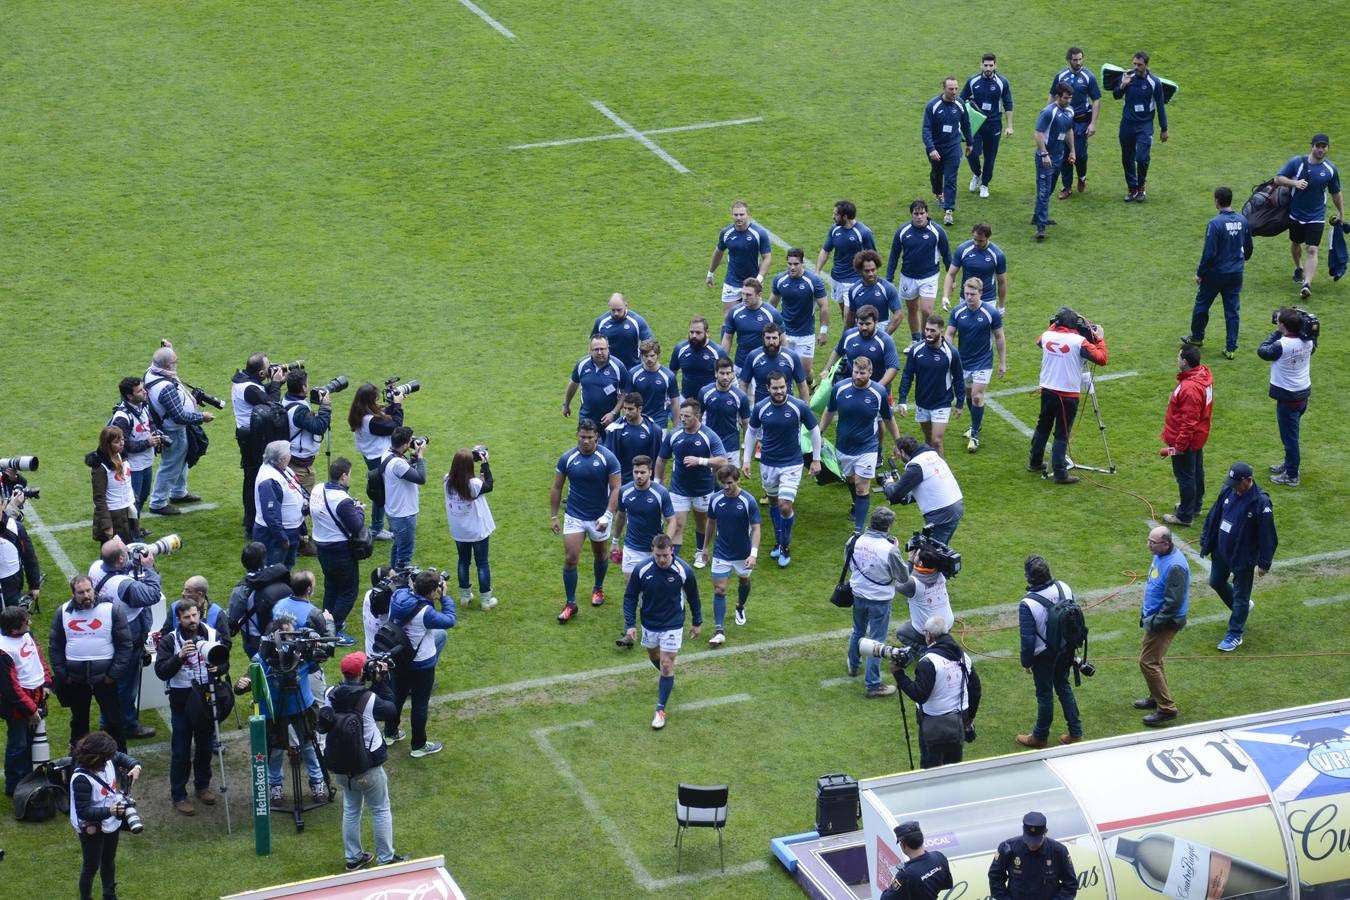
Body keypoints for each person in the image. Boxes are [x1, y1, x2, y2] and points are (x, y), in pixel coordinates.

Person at [321, 652, 405, 870]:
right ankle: (386, 857)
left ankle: (353, 858)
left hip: (341, 766)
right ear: (361, 673)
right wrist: (382, 682)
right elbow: (391, 711)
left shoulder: (330, 693)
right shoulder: (369, 698)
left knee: (351, 810)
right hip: (367, 766)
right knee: (380, 809)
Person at [235, 618, 328, 802]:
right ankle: (275, 786)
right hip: (274, 713)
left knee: (309, 746)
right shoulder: (263, 659)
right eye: (288, 635)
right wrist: (242, 683)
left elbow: (323, 655)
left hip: (303, 708)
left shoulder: (301, 654)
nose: (293, 639)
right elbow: (240, 687)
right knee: (275, 751)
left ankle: (317, 782)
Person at [153, 596, 228, 815]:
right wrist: (179, 657)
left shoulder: (213, 635)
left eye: (195, 615)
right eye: (187, 617)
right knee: (181, 750)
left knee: (205, 746)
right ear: (179, 619)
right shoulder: (169, 640)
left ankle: (202, 786)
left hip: (206, 696)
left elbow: (224, 661)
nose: (192, 620)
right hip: (182, 699)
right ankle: (179, 794)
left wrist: (219, 669)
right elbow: (161, 672)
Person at [743, 371, 821, 567]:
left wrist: (816, 459)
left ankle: (785, 545)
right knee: (773, 504)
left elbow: (814, 430)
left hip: (792, 464)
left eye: (782, 387)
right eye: (775, 388)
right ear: (767, 388)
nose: (779, 391)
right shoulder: (760, 408)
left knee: (785, 505)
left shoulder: (798, 406)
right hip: (768, 463)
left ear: (787, 386)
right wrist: (745, 460)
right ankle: (779, 541)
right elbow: (751, 433)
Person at [623, 534, 701, 729]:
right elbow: (630, 597)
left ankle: (660, 710)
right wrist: (630, 625)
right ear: (652, 551)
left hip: (673, 623)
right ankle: (668, 678)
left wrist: (697, 622)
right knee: (654, 655)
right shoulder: (642, 570)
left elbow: (693, 597)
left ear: (671, 550)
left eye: (665, 555)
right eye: (658, 555)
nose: (662, 559)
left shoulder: (684, 570)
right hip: (650, 623)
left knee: (666, 665)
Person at [89, 538, 162, 742]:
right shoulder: (125, 586)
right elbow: (152, 594)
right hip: (127, 637)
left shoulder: (96, 567)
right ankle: (127, 725)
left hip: (106, 632)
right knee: (126, 685)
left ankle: (108, 722)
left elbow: (118, 568)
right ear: (121, 558)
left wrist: (132, 561)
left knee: (112, 682)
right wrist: (148, 570)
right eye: (125, 554)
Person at [49, 575, 132, 752]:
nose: (86, 595)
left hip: (105, 679)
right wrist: (64, 676)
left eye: (88, 590)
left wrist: (112, 675)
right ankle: (78, 762)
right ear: (73, 593)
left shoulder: (112, 610)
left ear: (93, 589)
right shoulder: (62, 612)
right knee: (78, 722)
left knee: (114, 721)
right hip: (76, 680)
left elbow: (125, 645)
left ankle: (121, 761)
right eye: (81, 592)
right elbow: (55, 647)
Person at [1200, 462, 1277, 652]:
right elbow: (1214, 515)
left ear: (1249, 480)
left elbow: (1268, 534)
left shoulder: (1261, 502)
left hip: (1244, 556)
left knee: (1241, 595)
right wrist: (1206, 539)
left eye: (1237, 484)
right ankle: (1240, 608)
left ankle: (1235, 634)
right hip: (1221, 551)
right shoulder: (1228, 491)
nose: (1234, 487)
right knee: (1216, 581)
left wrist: (1264, 563)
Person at [551, 419, 622, 622]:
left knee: (600, 554)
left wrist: (607, 515)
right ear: (577, 435)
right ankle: (570, 603)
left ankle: (598, 588)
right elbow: (556, 487)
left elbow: (616, 488)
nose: (586, 441)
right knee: (570, 558)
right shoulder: (567, 458)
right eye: (582, 437)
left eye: (590, 437)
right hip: (574, 515)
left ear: (597, 437)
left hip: (599, 517)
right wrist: (554, 516)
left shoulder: (608, 458)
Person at [1028, 307, 1108, 484]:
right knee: (1062, 434)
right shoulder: (1079, 342)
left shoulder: (1047, 336)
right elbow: (1102, 359)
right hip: (1067, 394)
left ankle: (1034, 462)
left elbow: (1039, 340)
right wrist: (1100, 338)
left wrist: (1054, 325)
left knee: (1043, 426)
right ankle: (1060, 473)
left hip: (1048, 390)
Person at [821, 357, 901, 532]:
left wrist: (898, 442)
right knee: (850, 479)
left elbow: (888, 418)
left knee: (862, 486)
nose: (858, 376)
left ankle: (859, 530)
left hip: (867, 447)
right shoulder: (840, 388)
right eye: (856, 372)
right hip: (843, 446)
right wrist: (819, 432)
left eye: (862, 373)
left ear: (870, 373)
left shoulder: (878, 392)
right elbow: (829, 411)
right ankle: (856, 504)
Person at [893, 615, 981, 768]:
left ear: (928, 635)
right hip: (959, 717)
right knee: (954, 765)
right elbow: (976, 689)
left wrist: (899, 675)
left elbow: (920, 695)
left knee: (930, 767)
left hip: (933, 721)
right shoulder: (963, 656)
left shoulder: (928, 662)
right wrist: (970, 718)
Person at [384, 569, 455, 757]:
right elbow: (449, 620)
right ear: (432, 591)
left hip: (398, 658)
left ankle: (390, 733)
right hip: (421, 664)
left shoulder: (398, 596)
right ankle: (418, 746)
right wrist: (444, 597)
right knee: (420, 704)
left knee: (397, 697)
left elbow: (405, 589)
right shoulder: (426, 612)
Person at [1016, 556, 1083, 748]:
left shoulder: (1027, 603)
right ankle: (1076, 733)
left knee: (1045, 695)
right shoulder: (1064, 587)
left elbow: (1027, 639)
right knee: (1063, 686)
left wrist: (1026, 662)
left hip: (1044, 656)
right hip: (1066, 648)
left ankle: (1039, 736)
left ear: (1028, 577)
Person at [143, 342, 215, 516]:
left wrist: (168, 350)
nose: (176, 366)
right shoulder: (166, 387)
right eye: (174, 362)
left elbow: (166, 363)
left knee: (180, 460)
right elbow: (180, 416)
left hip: (170, 427)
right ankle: (158, 502)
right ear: (168, 366)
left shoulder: (151, 371)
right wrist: (201, 417)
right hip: (173, 430)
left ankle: (178, 492)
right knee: (171, 465)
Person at [69, 731, 142, 900]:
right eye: (107, 757)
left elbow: (123, 758)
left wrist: (135, 767)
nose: (111, 759)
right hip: (91, 827)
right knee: (91, 866)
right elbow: (83, 812)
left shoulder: (107, 758)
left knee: (109, 860)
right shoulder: (81, 779)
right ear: (96, 758)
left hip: (110, 821)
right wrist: (110, 811)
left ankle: (109, 895)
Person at [1182, 187, 1253, 357]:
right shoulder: (1242, 220)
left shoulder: (1215, 223)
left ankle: (1197, 337)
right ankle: (1231, 348)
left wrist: (1200, 273)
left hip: (1216, 273)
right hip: (1236, 273)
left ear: (1217, 201)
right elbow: (1249, 247)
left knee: (1202, 304)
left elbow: (1209, 253)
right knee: (1232, 310)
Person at [656, 399, 728, 569]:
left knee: (702, 522)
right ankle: (673, 559)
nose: (682, 419)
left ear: (698, 416)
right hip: (678, 489)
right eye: (681, 416)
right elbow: (661, 459)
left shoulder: (708, 435)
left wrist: (700, 461)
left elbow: (723, 461)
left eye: (687, 416)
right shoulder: (674, 434)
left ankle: (700, 551)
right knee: (677, 524)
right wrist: (658, 481)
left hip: (703, 489)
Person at [843, 506, 905, 699]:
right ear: (888, 526)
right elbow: (903, 576)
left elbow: (850, 564)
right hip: (879, 600)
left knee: (858, 631)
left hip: (858, 594)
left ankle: (854, 666)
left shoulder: (853, 540)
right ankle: (873, 685)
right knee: (876, 642)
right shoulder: (889, 549)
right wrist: (897, 550)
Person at [1274, 133, 1343, 299]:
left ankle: (1307, 284)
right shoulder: (1297, 162)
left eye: (1323, 147)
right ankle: (1299, 267)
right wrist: (1294, 183)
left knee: (1312, 249)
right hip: (1296, 214)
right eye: (1317, 146)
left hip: (1317, 215)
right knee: (1296, 242)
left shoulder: (1330, 169)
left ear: (1327, 148)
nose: (1320, 149)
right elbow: (1277, 179)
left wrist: (1341, 213)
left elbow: (1335, 192)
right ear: (1311, 146)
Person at [945, 278, 1006, 452]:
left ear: (981, 293)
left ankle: (975, 436)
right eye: (966, 294)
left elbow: (999, 337)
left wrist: (1002, 363)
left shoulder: (990, 312)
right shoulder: (958, 311)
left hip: (983, 361)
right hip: (963, 362)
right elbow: (949, 334)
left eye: (972, 294)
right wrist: (950, 355)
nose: (969, 297)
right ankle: (975, 425)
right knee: (968, 396)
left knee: (978, 396)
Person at [311, 457, 367, 644]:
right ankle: (335, 630)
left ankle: (324, 624)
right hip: (340, 551)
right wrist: (359, 509)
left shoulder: (318, 489)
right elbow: (357, 525)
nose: (350, 478)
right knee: (348, 591)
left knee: (332, 586)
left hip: (322, 546)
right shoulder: (342, 501)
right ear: (343, 476)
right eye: (349, 475)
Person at [703, 465, 760, 645]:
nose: (726, 487)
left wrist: (753, 554)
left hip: (743, 553)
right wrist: (704, 547)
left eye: (729, 483)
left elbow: (757, 528)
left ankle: (740, 606)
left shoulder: (748, 501)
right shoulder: (715, 499)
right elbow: (711, 524)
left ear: (737, 480)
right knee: (719, 590)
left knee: (744, 580)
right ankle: (719, 630)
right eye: (723, 483)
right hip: (721, 552)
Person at [1259, 308, 1316, 486]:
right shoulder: (1309, 342)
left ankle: (1291, 475)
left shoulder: (1281, 345)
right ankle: (1289, 464)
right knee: (1290, 435)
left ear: (1284, 326)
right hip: (1302, 394)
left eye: (1279, 322)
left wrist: (1277, 332)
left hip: (1288, 398)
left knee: (1290, 438)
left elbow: (1262, 351)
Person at [1137, 527, 1188, 726]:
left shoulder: (1175, 566)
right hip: (1155, 617)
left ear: (1166, 543)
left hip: (1166, 621)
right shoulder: (1161, 555)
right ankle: (1156, 697)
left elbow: (1173, 602)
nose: (1148, 545)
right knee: (1154, 660)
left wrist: (1157, 622)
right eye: (1148, 540)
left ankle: (1167, 708)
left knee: (1148, 662)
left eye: (1153, 542)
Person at [1160, 345, 1214, 526]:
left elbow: (1188, 421)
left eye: (1178, 357)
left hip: (1186, 440)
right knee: (1196, 472)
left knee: (1185, 476)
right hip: (1198, 435)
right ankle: (1194, 506)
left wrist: (1179, 446)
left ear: (1185, 361)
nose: (1177, 360)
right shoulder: (1203, 375)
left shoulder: (1190, 388)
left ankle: (1184, 515)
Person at [1, 604, 51, 798]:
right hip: (19, 704)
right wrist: (31, 710)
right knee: (18, 743)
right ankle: (13, 785)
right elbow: (10, 689)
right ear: (14, 629)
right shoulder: (3, 651)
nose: (30, 622)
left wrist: (46, 682)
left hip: (37, 695)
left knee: (32, 740)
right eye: (25, 622)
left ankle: (29, 777)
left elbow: (37, 657)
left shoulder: (26, 635)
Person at [230, 354, 284, 534]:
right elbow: (273, 405)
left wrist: (276, 383)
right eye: (268, 368)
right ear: (261, 372)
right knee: (255, 479)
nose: (271, 370)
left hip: (247, 435)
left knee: (250, 478)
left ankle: (249, 519)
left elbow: (261, 392)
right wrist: (275, 384)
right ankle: (252, 522)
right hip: (254, 439)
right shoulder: (250, 388)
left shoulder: (242, 381)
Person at [604, 394, 663, 561]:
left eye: (630, 409)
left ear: (640, 409)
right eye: (625, 409)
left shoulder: (653, 430)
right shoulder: (615, 429)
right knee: (621, 511)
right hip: (623, 479)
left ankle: (652, 540)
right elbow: (611, 458)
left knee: (647, 511)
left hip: (646, 478)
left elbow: (659, 458)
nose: (627, 412)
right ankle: (619, 541)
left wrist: (657, 479)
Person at [886, 200, 952, 343]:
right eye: (916, 214)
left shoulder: (937, 231)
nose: (919, 217)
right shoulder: (903, 232)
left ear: (927, 214)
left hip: (929, 277)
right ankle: (916, 339)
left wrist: (950, 276)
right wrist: (889, 277)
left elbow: (947, 254)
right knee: (912, 309)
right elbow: (894, 255)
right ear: (912, 215)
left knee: (927, 311)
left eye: (922, 213)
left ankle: (924, 340)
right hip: (908, 277)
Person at [349, 381, 407, 541]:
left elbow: (383, 416)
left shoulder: (359, 412)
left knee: (382, 491)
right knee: (383, 492)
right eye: (375, 399)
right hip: (378, 458)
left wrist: (392, 404)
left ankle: (379, 525)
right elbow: (395, 425)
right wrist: (398, 406)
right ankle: (377, 527)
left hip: (372, 456)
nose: (377, 402)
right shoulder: (371, 421)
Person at [898, 316, 964, 457]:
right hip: (922, 402)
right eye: (927, 329)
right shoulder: (916, 350)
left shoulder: (951, 352)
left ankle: (941, 473)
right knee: (928, 440)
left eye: (932, 330)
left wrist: (959, 402)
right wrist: (902, 400)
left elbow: (958, 378)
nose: (928, 333)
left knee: (937, 441)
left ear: (941, 330)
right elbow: (907, 375)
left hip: (942, 403)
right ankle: (931, 471)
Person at [444, 447, 498, 611]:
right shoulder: (474, 484)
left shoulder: (447, 480)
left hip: (459, 530)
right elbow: (489, 484)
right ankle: (486, 600)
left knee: (463, 561)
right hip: (476, 530)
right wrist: (485, 463)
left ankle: (465, 597)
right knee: (482, 563)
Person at [1114, 50, 1169, 202]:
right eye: (1135, 64)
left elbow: (1160, 106)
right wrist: (1123, 85)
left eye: (1139, 64)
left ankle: (1141, 186)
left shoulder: (1154, 82)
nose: (1136, 67)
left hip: (1144, 126)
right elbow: (1116, 95)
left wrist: (1164, 128)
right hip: (1127, 125)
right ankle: (1132, 189)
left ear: (1146, 65)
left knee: (1142, 157)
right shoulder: (1127, 77)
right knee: (1127, 158)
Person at [107, 377, 161, 530]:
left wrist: (156, 433)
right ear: (129, 396)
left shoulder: (143, 405)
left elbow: (149, 424)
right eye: (140, 391)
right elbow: (121, 445)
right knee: (133, 501)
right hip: (132, 466)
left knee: (143, 496)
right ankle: (131, 532)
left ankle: (133, 527)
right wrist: (147, 443)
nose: (145, 392)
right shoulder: (122, 417)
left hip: (145, 462)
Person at [890, 435, 964, 546]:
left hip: (941, 513)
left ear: (902, 452)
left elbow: (894, 494)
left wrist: (888, 484)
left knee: (931, 553)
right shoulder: (932, 454)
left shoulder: (916, 466)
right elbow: (930, 485)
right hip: (956, 505)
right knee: (941, 550)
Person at [769, 248, 829, 382]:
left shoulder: (813, 281)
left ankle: (810, 384)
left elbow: (824, 306)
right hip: (785, 332)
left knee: (805, 370)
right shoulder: (780, 280)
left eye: (796, 264)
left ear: (803, 264)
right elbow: (771, 304)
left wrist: (823, 330)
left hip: (806, 333)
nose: (792, 267)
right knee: (783, 368)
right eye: (789, 264)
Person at [988, 811, 1078, 899]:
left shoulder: (1058, 851)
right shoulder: (1008, 848)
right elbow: (995, 877)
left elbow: (1070, 885)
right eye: (1028, 841)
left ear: (1045, 833)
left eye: (1036, 842)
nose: (1031, 845)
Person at [1049, 46, 1102, 198]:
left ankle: (1082, 177)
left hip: (1081, 121)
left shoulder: (1088, 77)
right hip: (1063, 121)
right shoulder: (1061, 76)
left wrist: (1093, 123)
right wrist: (1048, 115)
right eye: (1075, 60)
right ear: (1069, 60)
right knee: (1064, 153)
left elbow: (1096, 99)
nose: (1078, 62)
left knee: (1080, 154)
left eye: (1080, 59)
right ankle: (1066, 187)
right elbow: (1053, 95)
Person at [962, 53, 1014, 198]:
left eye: (991, 65)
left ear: (995, 66)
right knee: (972, 153)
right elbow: (961, 100)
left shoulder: (1002, 82)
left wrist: (1009, 126)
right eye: (986, 65)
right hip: (975, 125)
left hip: (994, 125)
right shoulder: (973, 81)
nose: (988, 68)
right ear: (981, 65)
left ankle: (985, 185)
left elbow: (1008, 103)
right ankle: (977, 174)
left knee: (990, 157)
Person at [922, 77, 973, 226]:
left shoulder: (960, 104)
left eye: (956, 88)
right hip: (936, 147)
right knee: (937, 173)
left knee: (951, 178)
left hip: (953, 146)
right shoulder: (933, 105)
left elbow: (966, 124)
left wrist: (970, 142)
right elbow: (926, 129)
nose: (955, 92)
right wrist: (931, 149)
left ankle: (948, 211)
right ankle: (938, 193)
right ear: (944, 88)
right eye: (951, 89)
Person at [820, 306, 902, 398]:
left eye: (868, 324)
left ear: (876, 322)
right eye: (861, 323)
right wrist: (826, 369)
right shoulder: (849, 335)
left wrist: (877, 388)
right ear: (856, 321)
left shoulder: (885, 341)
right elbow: (838, 351)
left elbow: (893, 368)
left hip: (876, 391)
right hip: (852, 388)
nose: (864, 327)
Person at [706, 200, 772, 312]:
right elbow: (718, 252)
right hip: (731, 283)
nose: (738, 218)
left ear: (748, 215)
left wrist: (758, 279)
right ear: (732, 215)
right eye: (736, 215)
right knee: (728, 320)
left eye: (741, 214)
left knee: (751, 319)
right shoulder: (726, 233)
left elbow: (767, 257)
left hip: (752, 283)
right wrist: (710, 273)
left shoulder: (759, 233)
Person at [226, 541, 286, 661]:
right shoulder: (278, 574)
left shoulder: (242, 590)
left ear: (244, 562)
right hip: (283, 631)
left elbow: (232, 619)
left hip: (255, 638)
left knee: (261, 670)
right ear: (265, 558)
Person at [721, 278, 785, 388]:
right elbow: (727, 338)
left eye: (749, 295)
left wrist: (782, 363)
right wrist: (722, 361)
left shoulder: (772, 314)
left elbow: (783, 340)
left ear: (759, 294)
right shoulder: (735, 312)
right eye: (743, 294)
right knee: (741, 400)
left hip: (764, 364)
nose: (744, 298)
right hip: (741, 364)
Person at [1033, 83, 1076, 241]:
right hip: (1045, 158)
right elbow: (1038, 133)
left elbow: (1069, 131)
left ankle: (1038, 216)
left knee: (1049, 190)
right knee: (1044, 191)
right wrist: (1044, 154)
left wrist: (1072, 151)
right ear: (1057, 97)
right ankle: (1041, 227)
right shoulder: (1048, 112)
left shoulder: (1070, 111)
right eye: (1066, 98)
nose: (1069, 101)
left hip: (1059, 157)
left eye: (1070, 98)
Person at [253, 440, 306, 568]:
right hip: (274, 536)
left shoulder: (283, 469)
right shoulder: (268, 480)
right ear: (282, 459)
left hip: (289, 532)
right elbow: (270, 514)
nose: (291, 455)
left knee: (286, 569)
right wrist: (282, 538)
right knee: (273, 570)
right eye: (289, 453)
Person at [816, 200, 877, 312]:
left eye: (836, 214)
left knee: (849, 314)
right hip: (836, 279)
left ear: (844, 217)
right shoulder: (834, 229)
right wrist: (817, 271)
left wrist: (869, 277)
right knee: (844, 314)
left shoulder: (864, 232)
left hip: (854, 280)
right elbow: (825, 251)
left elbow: (873, 258)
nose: (832, 217)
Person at [381, 427, 427, 569]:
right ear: (405, 445)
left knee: (398, 545)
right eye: (410, 441)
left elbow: (407, 472)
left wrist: (413, 457)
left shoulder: (387, 454)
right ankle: (400, 584)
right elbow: (420, 478)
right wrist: (420, 457)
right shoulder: (398, 463)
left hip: (393, 509)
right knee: (405, 554)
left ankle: (392, 574)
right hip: (403, 514)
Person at [282, 369, 333, 497]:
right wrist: (325, 407)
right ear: (303, 387)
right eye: (307, 384)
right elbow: (319, 427)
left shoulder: (287, 399)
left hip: (291, 458)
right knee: (302, 504)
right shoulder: (299, 411)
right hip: (299, 467)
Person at [86, 426, 138, 544]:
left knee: (128, 551)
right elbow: (99, 499)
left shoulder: (122, 456)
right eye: (116, 441)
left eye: (122, 440)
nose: (121, 444)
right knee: (112, 555)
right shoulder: (100, 467)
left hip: (127, 510)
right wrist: (107, 525)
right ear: (107, 444)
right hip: (113, 515)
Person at [940, 223, 1008, 313]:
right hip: (966, 297)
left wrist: (1001, 306)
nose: (976, 243)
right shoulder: (963, 249)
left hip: (987, 299)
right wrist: (945, 296)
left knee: (986, 327)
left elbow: (1002, 282)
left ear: (988, 238)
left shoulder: (997, 255)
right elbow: (951, 274)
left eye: (980, 241)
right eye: (975, 239)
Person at [563, 335, 629, 428]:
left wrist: (613, 413)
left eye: (602, 349)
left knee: (610, 443)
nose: (599, 352)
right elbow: (573, 384)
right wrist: (566, 405)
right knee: (585, 442)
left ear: (608, 349)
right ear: (590, 350)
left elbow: (625, 392)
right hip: (587, 417)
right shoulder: (582, 364)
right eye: (596, 349)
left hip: (610, 420)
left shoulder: (618, 366)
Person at [698, 358, 751, 469]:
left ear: (733, 374)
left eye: (728, 373)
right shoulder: (705, 392)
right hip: (710, 444)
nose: (725, 377)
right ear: (716, 373)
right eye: (722, 373)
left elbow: (746, 425)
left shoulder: (740, 396)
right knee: (709, 482)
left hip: (731, 446)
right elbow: (697, 418)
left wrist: (746, 455)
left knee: (730, 482)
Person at [881, 820, 953, 900]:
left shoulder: (905, 875)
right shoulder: (939, 857)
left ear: (904, 845)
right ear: (921, 839)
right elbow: (946, 884)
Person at [668, 315, 730, 404]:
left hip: (710, 400)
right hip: (686, 399)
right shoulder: (680, 349)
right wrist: (673, 395)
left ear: (707, 332)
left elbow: (728, 376)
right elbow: (672, 373)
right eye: (691, 332)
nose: (694, 336)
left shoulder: (718, 352)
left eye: (698, 333)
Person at [843, 249, 903, 335]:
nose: (871, 274)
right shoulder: (854, 290)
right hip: (862, 329)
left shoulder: (887, 288)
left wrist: (885, 335)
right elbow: (851, 316)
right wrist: (846, 336)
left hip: (882, 328)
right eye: (867, 271)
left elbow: (899, 314)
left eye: (873, 270)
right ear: (860, 271)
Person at [0, 490, 42, 610]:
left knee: (14, 623)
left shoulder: (15, 527)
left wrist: (34, 585)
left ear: (3, 505)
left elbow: (29, 557)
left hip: (12, 586)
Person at [744, 323, 809, 400]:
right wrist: (743, 409)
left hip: (787, 407)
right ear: (763, 338)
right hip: (762, 407)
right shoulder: (753, 356)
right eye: (768, 338)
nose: (771, 342)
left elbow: (802, 386)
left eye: (774, 338)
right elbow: (743, 384)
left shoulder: (791, 357)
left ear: (780, 338)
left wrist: (805, 409)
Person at [591, 292, 654, 370]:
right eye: (613, 310)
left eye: (619, 310)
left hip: (632, 368)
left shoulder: (637, 321)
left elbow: (650, 343)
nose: (616, 313)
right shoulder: (601, 321)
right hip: (608, 369)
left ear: (626, 306)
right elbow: (593, 343)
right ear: (609, 306)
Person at [629, 339, 679, 429]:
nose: (649, 359)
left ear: (658, 355)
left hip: (660, 422)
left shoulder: (668, 376)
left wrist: (676, 427)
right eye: (646, 356)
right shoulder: (633, 374)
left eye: (652, 356)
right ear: (641, 356)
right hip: (638, 421)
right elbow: (628, 401)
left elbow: (674, 402)